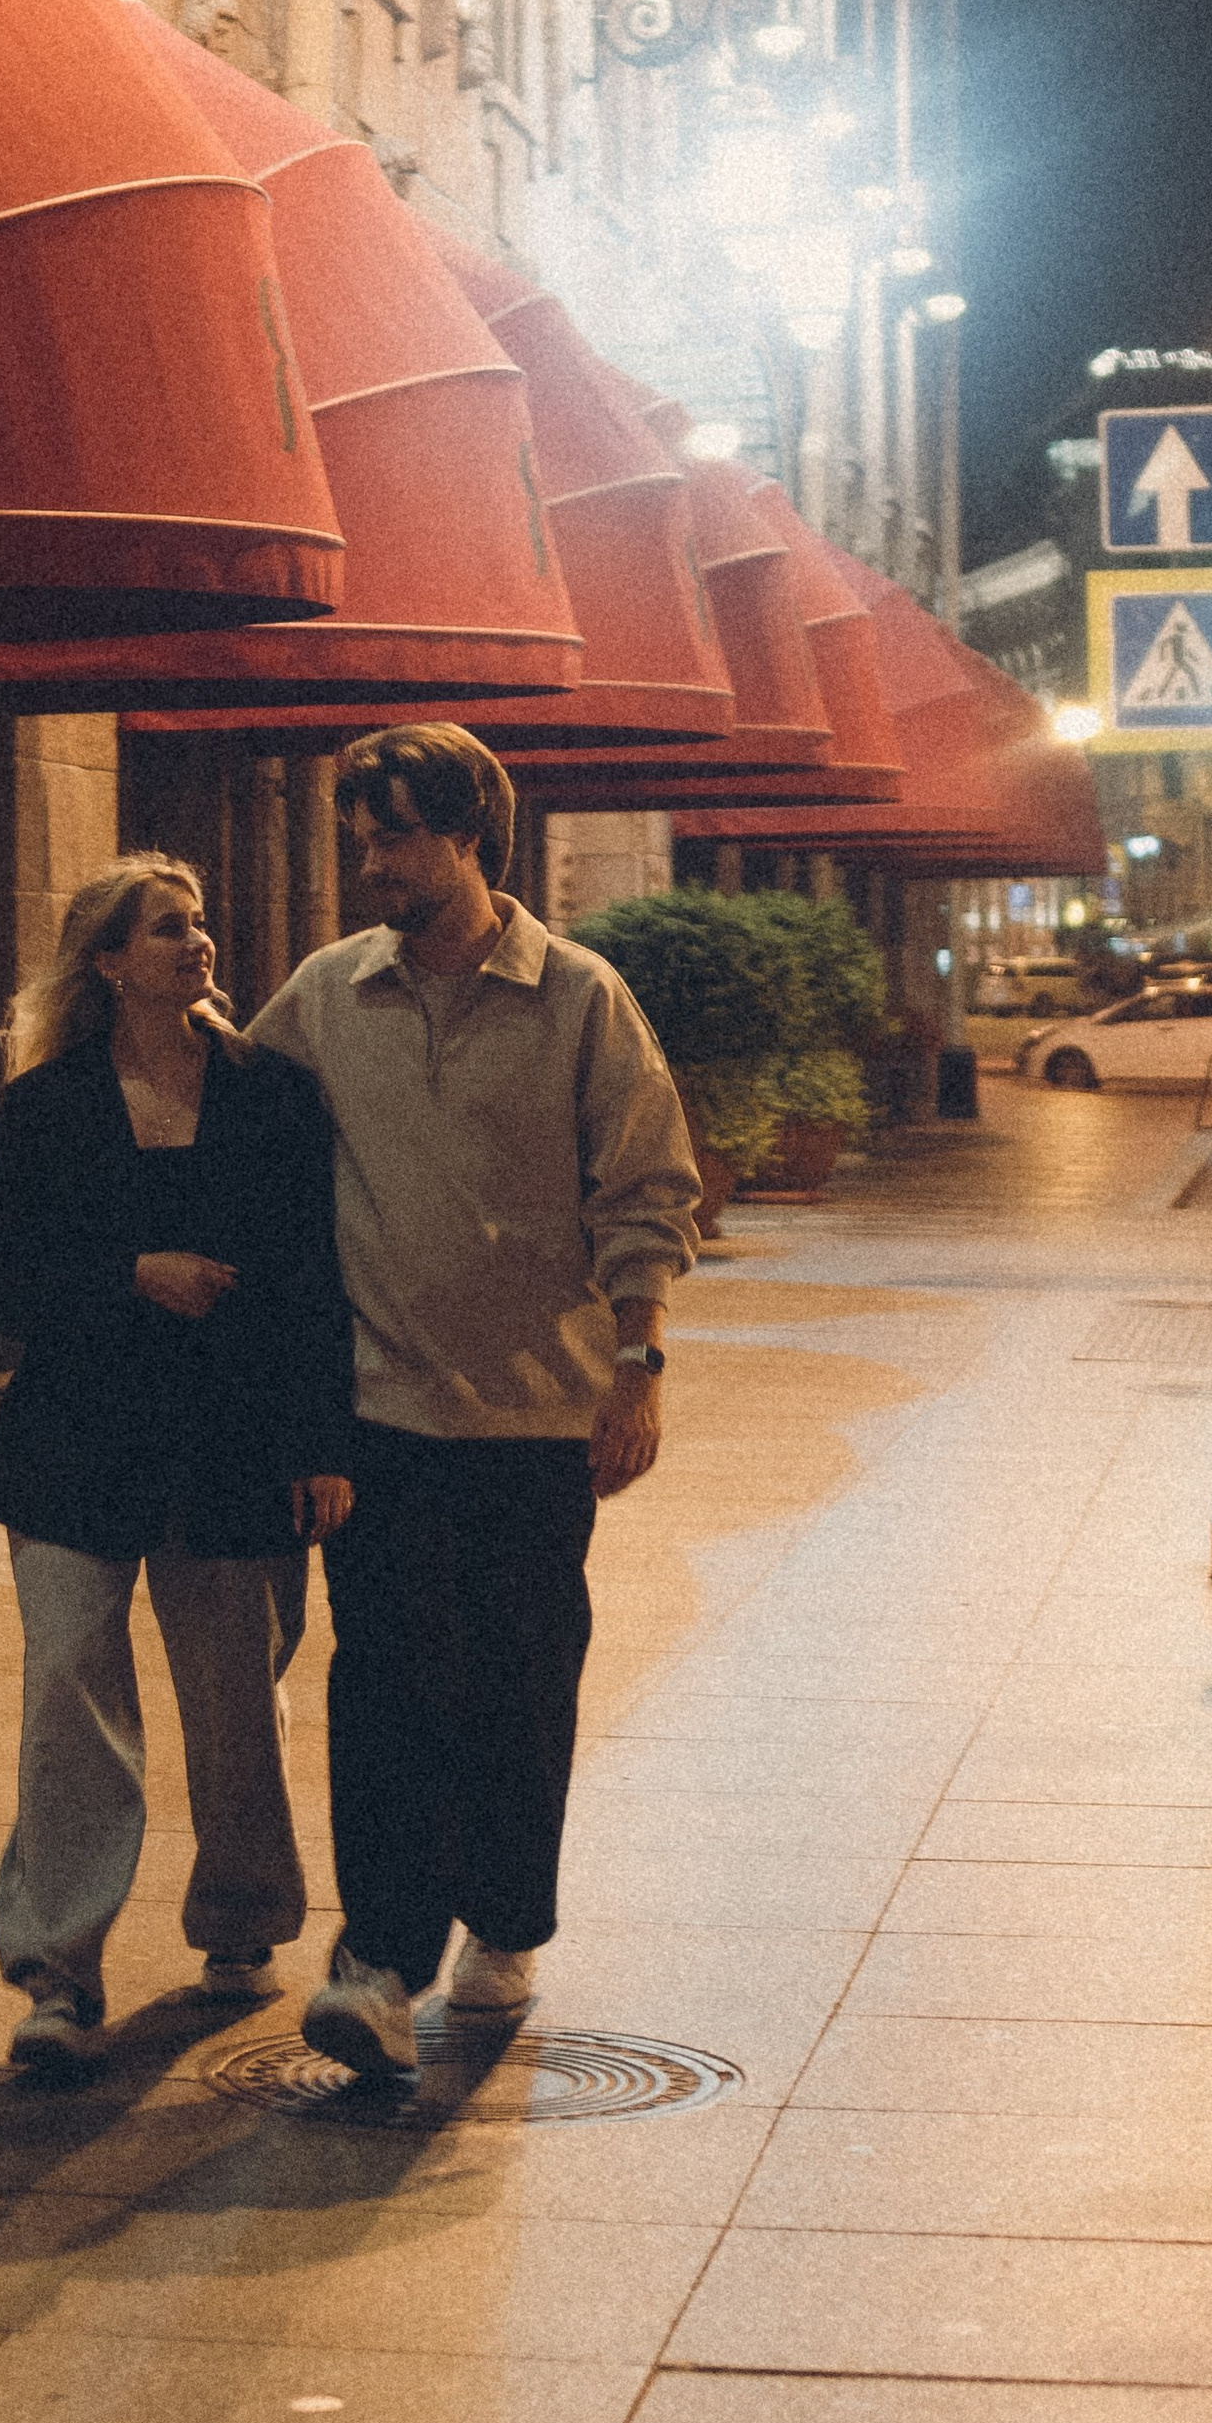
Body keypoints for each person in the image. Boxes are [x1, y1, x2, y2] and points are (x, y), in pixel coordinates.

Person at [249, 724, 701, 2077]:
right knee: (383, 1683)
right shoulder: (330, 995)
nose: (371, 863)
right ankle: (378, 1957)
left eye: (394, 836)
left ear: (468, 837)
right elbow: (235, 1119)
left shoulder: (577, 997)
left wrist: (641, 1365)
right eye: (361, 838)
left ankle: (503, 1925)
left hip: (539, 1417)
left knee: (518, 1679)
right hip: (381, 1414)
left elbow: (648, 1185)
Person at [0, 854, 356, 2081]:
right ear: (107, 961)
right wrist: (131, 1274)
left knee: (236, 1696)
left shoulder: (274, 1094)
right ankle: (56, 1971)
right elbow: (0, 1284)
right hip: (74, 1444)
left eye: (198, 924)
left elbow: (312, 1284)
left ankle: (242, 1927)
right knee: (69, 1698)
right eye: (166, 929)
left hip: (235, 1437)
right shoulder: (46, 1106)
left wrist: (320, 1445)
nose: (197, 944)